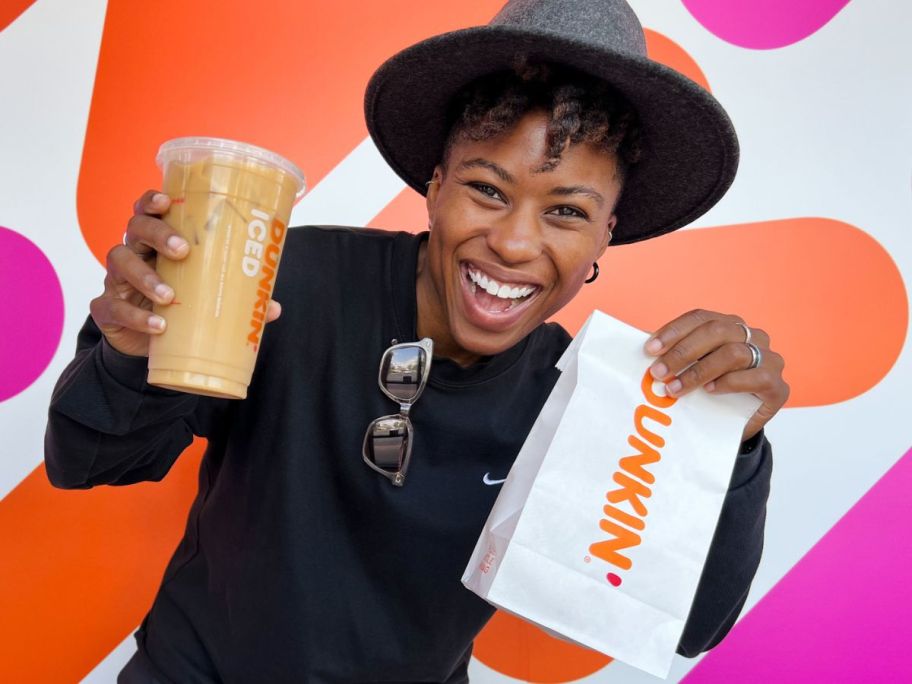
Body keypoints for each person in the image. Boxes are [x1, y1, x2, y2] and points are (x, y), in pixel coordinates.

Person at [44, 0, 789, 682]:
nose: (514, 242)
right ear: (434, 187)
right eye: (486, 190)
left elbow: (689, 625)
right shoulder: (283, 277)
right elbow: (89, 462)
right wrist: (129, 347)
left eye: (565, 212)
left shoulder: (587, 400)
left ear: (605, 234)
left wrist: (732, 448)